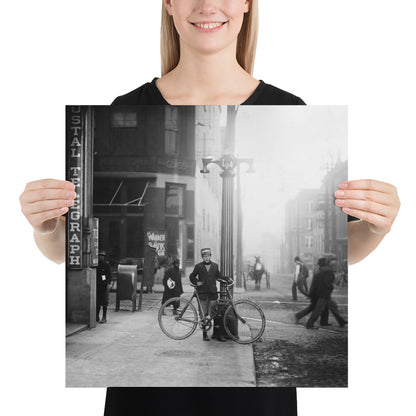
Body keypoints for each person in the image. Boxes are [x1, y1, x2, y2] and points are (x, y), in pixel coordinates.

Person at [18, 1, 400, 415]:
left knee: (217, 308)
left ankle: (217, 331)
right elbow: (62, 250)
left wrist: (377, 228)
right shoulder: (121, 101)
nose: (207, 4)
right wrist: (44, 227)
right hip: (150, 399)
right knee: (206, 311)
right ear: (167, 4)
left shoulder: (290, 103)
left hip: (251, 403)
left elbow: (349, 250)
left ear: (249, 4)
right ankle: (208, 332)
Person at [189, 248, 225, 342]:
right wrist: (197, 282)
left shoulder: (215, 266)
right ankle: (204, 333)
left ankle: (217, 334)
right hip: (202, 293)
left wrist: (227, 278)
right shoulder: (198, 266)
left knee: (215, 313)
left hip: (212, 293)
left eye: (208, 256)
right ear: (202, 257)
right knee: (203, 314)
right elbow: (191, 276)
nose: (206, 258)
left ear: (210, 256)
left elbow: (219, 276)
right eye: (204, 256)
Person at [305, 257, 347, 329]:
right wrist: (331, 287)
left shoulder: (322, 269)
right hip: (324, 293)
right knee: (318, 310)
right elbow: (326, 282)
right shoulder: (327, 270)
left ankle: (341, 321)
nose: (335, 264)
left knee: (333, 306)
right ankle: (309, 324)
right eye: (333, 262)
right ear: (329, 262)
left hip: (323, 293)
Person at [295, 258, 330, 327]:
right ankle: (310, 323)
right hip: (320, 293)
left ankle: (323, 321)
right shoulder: (322, 271)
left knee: (316, 307)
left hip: (317, 292)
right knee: (317, 308)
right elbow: (322, 283)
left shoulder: (318, 270)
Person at [96, 250, 112, 324]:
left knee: (104, 302)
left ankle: (104, 317)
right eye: (99, 256)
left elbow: (109, 275)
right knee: (98, 302)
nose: (100, 257)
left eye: (102, 256)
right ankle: (96, 316)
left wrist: (107, 283)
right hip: (97, 285)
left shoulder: (106, 265)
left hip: (104, 286)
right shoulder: (96, 265)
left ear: (104, 257)